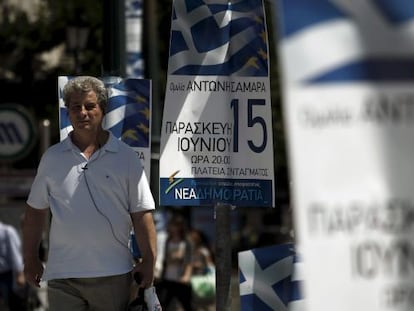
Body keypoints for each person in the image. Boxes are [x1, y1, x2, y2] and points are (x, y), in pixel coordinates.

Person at [22, 76, 158, 311]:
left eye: (89, 106)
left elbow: (142, 214)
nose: (82, 112)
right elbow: (35, 212)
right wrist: (30, 258)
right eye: (75, 107)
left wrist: (149, 261)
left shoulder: (126, 158)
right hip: (62, 276)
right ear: (68, 112)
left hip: (114, 274)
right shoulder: (52, 158)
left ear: (102, 110)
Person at [157, 216, 193, 311]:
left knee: (187, 305)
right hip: (167, 278)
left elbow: (189, 260)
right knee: (163, 304)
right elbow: (166, 258)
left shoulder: (186, 242)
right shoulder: (167, 241)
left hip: (181, 279)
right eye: (173, 225)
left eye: (177, 226)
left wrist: (186, 275)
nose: (175, 228)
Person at [0, 221, 26, 310]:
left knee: (10, 303)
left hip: (7, 276)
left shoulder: (7, 231)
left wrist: (20, 273)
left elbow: (15, 253)